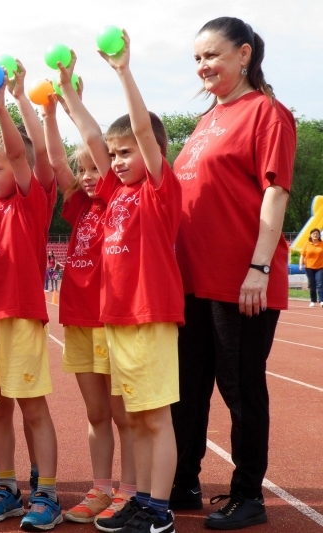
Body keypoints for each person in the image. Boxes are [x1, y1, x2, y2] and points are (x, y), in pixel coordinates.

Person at [170, 16, 296, 530]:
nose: (203, 65)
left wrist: (258, 268)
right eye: (197, 57)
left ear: (244, 55)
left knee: (241, 389)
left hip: (240, 281)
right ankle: (184, 480)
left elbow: (276, 191)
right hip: (192, 281)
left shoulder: (266, 113)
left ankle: (249, 496)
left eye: (212, 55)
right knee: (189, 387)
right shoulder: (205, 121)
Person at [58, 35, 183, 533]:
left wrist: (123, 73)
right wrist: (69, 93)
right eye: (114, 155)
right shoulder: (113, 192)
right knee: (137, 416)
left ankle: (158, 510)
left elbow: (143, 135)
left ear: (151, 152)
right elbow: (92, 138)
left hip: (148, 315)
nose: (117, 161)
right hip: (116, 321)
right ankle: (145, 501)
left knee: (154, 419)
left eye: (126, 152)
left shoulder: (157, 189)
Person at [44, 85, 136, 525]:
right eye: (82, 171)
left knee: (123, 414)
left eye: (93, 169)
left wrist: (72, 103)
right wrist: (46, 112)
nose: (86, 176)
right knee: (96, 413)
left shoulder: (119, 200)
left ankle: (130, 490)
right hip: (79, 321)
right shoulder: (79, 207)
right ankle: (101, 487)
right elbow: (58, 163)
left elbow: (98, 146)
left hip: (110, 322)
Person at [0, 65, 61, 531]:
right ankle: (6, 486)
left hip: (20, 316)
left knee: (31, 406)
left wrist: (3, 107)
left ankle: (45, 490)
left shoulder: (31, 201)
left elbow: (22, 152)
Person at [300, 229, 323, 307]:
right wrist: (301, 264)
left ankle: (321, 300)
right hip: (309, 267)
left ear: (319, 235)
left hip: (320, 267)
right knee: (311, 284)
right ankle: (313, 300)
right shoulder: (307, 244)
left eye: (317, 234)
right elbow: (302, 255)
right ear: (311, 235)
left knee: (320, 284)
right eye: (313, 233)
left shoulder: (322, 243)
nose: (315, 235)